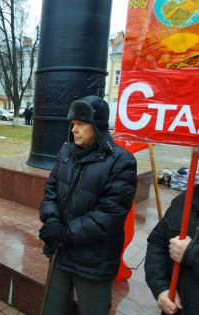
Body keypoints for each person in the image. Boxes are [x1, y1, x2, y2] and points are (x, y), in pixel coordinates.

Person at [38, 95, 137, 315]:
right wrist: (52, 222)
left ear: (98, 127)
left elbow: (110, 214)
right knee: (52, 309)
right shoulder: (66, 151)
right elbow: (51, 189)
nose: (74, 129)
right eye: (72, 124)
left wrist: (64, 232)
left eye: (81, 124)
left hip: (94, 260)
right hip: (61, 252)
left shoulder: (121, 162)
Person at [145, 185, 199, 315]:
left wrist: (192, 254)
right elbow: (157, 243)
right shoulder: (185, 200)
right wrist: (162, 288)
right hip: (176, 309)